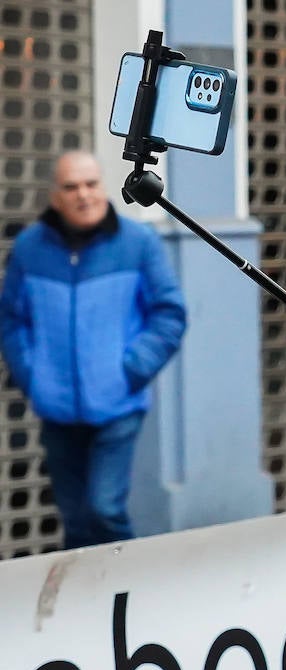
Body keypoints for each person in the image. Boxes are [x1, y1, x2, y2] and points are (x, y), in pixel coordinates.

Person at [0, 151, 186, 549]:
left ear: (104, 186)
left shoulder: (138, 242)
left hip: (118, 405)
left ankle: (130, 581)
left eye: (91, 184)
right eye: (71, 187)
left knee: (105, 509)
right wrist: (33, 377)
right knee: (75, 520)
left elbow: (169, 314)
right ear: (55, 197)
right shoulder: (31, 247)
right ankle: (85, 589)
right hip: (55, 408)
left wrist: (131, 370)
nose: (83, 195)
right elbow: (11, 319)